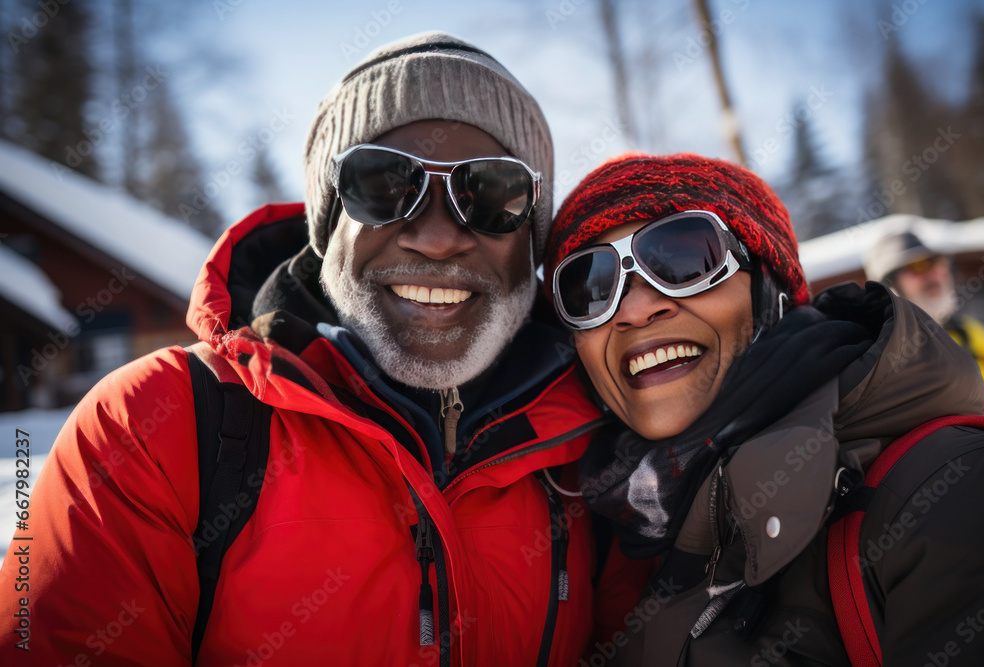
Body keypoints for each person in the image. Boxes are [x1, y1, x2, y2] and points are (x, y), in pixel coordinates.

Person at [0, 33, 637, 666]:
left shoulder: (603, 448)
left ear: (531, 238)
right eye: (385, 184)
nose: (439, 238)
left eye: (492, 194)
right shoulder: (151, 427)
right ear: (328, 223)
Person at [543, 153, 984, 665]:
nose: (636, 309)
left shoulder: (952, 489)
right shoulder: (615, 543)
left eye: (684, 258)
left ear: (772, 290)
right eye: (590, 286)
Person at [864, 228, 984, 417]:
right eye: (918, 266)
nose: (934, 273)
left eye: (937, 262)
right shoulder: (882, 357)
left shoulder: (971, 332)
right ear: (890, 288)